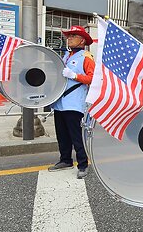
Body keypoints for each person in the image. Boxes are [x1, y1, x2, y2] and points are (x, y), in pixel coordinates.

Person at [48, 25, 95, 179]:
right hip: (60, 102)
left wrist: (74, 76)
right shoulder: (66, 56)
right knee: (62, 135)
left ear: (82, 40)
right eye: (68, 36)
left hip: (74, 103)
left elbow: (92, 79)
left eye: (73, 35)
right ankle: (65, 160)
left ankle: (82, 164)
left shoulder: (86, 57)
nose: (69, 38)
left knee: (76, 136)